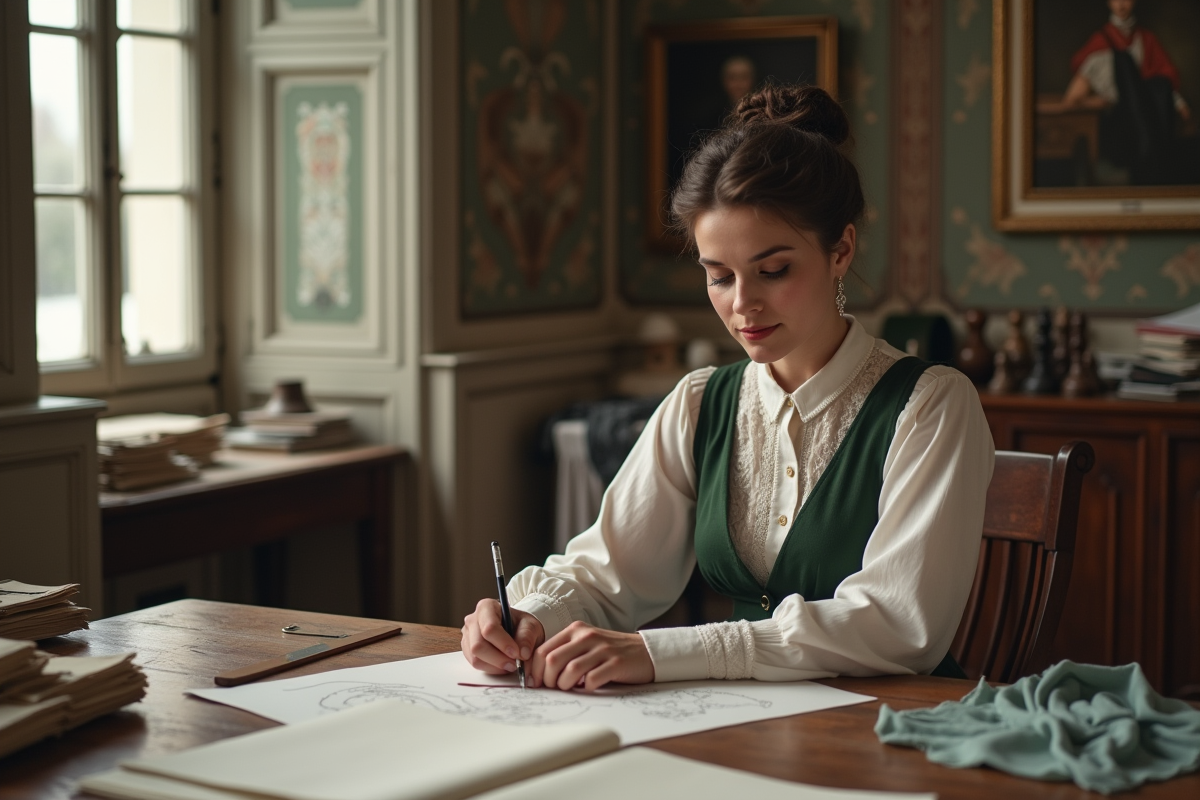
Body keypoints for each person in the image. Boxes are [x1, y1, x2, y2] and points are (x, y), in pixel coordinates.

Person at [461, 84, 995, 692]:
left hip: (890, 721)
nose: (743, 304)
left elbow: (899, 623)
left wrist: (664, 652)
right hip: (742, 722)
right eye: (719, 277)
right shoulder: (700, 403)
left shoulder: (930, 405)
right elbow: (610, 572)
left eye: (774, 270)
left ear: (841, 250)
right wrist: (531, 617)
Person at [1062, 0, 1191, 184]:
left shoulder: (1146, 39)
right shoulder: (1100, 43)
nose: (1121, 4)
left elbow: (1160, 79)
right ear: (1109, 3)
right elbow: (1071, 100)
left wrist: (1179, 103)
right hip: (1117, 126)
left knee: (1160, 88)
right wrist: (1096, 101)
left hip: (1148, 119)